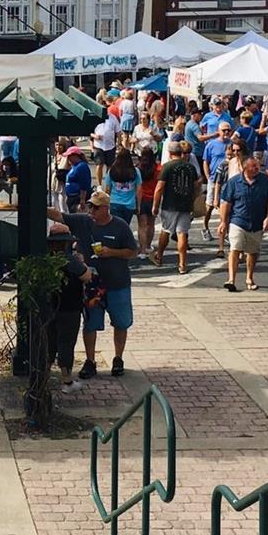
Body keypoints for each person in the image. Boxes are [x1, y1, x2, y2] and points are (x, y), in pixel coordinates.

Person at [47, 189, 138, 378]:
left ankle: (118, 358)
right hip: (93, 285)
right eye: (90, 207)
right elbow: (59, 215)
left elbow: (132, 251)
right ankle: (90, 360)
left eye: (96, 208)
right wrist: (37, 206)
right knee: (90, 323)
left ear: (106, 208)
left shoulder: (120, 226)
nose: (92, 211)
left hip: (117, 283)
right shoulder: (83, 221)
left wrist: (111, 252)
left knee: (121, 322)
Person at [219, 156, 268, 292]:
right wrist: (223, 221)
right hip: (238, 220)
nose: (257, 168)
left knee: (252, 251)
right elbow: (226, 202)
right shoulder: (234, 182)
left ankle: (249, 277)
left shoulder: (265, 181)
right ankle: (231, 279)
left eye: (258, 166)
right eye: (254, 166)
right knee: (235, 248)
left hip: (257, 222)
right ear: (245, 168)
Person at [45, 222, 92, 391]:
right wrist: (83, 263)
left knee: (48, 342)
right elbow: (86, 277)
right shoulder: (70, 259)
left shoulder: (46, 257)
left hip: (49, 307)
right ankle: (66, 381)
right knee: (66, 343)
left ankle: (43, 377)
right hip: (70, 308)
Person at [151, 141, 200, 275]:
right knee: (182, 233)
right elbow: (196, 187)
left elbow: (160, 187)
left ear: (170, 153)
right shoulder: (190, 167)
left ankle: (159, 256)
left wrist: (155, 205)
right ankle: (182, 264)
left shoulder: (167, 167)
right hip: (185, 204)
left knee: (166, 231)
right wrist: (192, 199)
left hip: (170, 204)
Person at [200, 120, 234, 241]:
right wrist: (208, 176)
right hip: (214, 179)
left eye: (228, 130)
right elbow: (206, 161)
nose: (226, 132)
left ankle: (225, 231)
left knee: (226, 207)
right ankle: (205, 227)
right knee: (209, 205)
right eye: (223, 130)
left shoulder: (232, 144)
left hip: (228, 181)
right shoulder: (211, 144)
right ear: (219, 131)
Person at [135, 147, 160, 256]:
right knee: (151, 224)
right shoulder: (157, 168)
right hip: (153, 198)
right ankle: (149, 245)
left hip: (141, 199)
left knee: (142, 225)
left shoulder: (138, 168)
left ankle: (142, 249)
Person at [104, 149, 138, 226]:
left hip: (114, 202)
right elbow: (139, 189)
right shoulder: (135, 171)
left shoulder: (112, 171)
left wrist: (106, 203)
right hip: (129, 204)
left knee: (115, 226)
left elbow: (108, 189)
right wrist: (138, 204)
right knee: (125, 226)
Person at [92, 112, 121, 184]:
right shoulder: (94, 117)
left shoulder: (113, 117)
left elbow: (118, 131)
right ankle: (99, 185)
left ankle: (108, 184)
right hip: (98, 146)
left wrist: (119, 143)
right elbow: (89, 132)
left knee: (110, 166)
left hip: (110, 146)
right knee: (99, 165)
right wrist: (95, 136)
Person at [62, 146, 92, 212]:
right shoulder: (74, 166)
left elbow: (84, 183)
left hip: (77, 197)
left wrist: (82, 199)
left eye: (69, 156)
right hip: (71, 197)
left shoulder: (82, 166)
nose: (68, 158)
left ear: (75, 156)